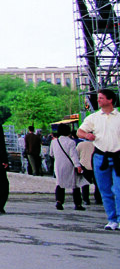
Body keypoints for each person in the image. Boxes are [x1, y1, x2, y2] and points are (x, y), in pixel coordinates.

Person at [77, 87, 120, 230]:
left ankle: (119, 218)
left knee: (119, 189)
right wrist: (87, 135)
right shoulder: (93, 117)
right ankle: (112, 219)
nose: (98, 100)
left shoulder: (119, 117)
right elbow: (80, 131)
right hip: (101, 156)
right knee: (104, 189)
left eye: (101, 98)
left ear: (110, 100)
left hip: (118, 155)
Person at [49, 122, 86, 210]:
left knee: (59, 183)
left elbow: (51, 154)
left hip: (58, 165)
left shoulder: (54, 142)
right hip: (69, 165)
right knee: (75, 184)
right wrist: (78, 165)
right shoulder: (71, 142)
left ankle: (59, 201)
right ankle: (78, 204)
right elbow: (73, 155)